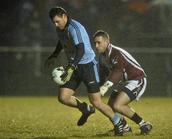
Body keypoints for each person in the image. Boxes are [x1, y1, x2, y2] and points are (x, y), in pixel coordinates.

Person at [45, 6, 126, 136]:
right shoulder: (60, 28)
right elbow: (62, 41)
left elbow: (81, 50)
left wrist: (71, 66)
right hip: (75, 65)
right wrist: (54, 55)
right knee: (63, 97)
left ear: (64, 16)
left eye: (57, 21)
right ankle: (85, 109)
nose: (55, 24)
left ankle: (118, 123)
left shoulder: (74, 28)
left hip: (88, 66)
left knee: (96, 102)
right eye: (53, 22)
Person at [93, 30, 153, 135]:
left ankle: (143, 124)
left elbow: (118, 71)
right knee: (111, 105)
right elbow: (103, 74)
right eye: (95, 43)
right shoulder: (102, 56)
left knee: (117, 105)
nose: (96, 46)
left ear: (107, 42)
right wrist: (97, 88)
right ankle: (124, 127)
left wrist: (105, 86)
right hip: (125, 81)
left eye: (99, 42)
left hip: (137, 79)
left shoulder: (116, 52)